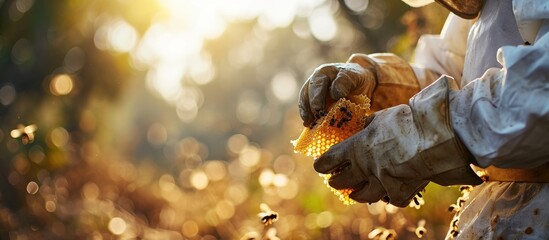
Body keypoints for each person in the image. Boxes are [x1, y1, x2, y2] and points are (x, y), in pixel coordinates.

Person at [297, 0, 549, 238]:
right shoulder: (475, 15)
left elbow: (540, 89)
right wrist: (377, 83)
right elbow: (458, 76)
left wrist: (422, 131)